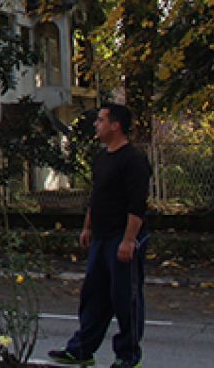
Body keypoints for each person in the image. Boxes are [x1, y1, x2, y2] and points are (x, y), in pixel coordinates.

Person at [49, 103, 152, 368]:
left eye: (101, 120)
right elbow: (97, 197)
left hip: (122, 236)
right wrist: (88, 227)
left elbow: (137, 203)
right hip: (101, 237)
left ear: (115, 125)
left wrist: (129, 240)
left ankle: (128, 356)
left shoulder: (133, 160)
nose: (96, 124)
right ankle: (82, 349)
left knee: (124, 298)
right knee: (93, 296)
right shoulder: (101, 157)